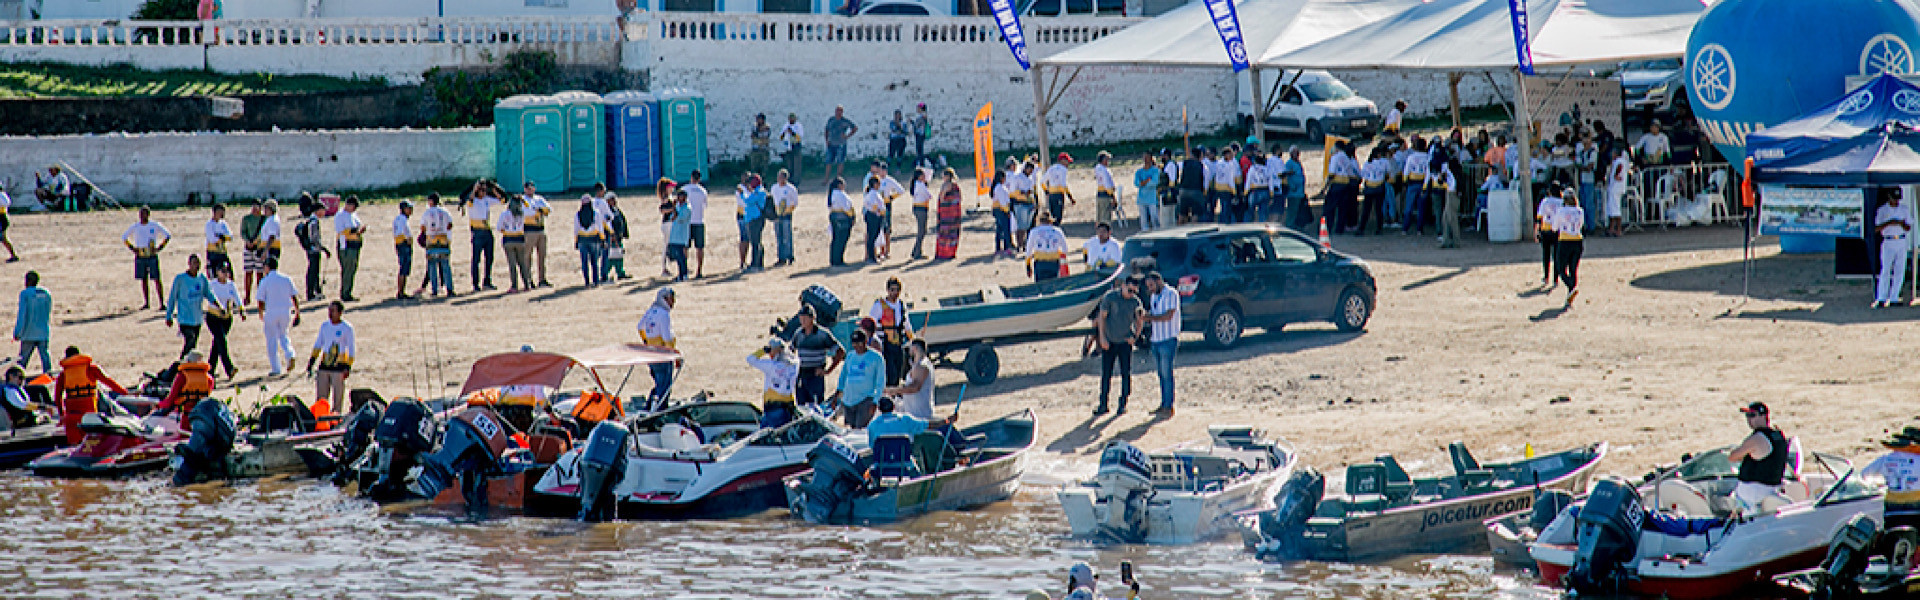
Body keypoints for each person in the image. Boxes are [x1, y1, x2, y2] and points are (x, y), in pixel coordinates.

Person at [1092, 275, 1144, 416]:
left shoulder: (1135, 302)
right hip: (1109, 341)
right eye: (1129, 290)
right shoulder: (1110, 298)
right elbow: (1101, 318)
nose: (1131, 293)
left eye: (1134, 291)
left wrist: (1135, 336)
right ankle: (1103, 404)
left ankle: (1123, 404)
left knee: (1125, 373)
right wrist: (1102, 338)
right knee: (1106, 374)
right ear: (1123, 286)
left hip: (1124, 343)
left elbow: (1140, 320)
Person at [1726, 402, 1792, 513]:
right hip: (1771, 489)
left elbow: (1732, 457)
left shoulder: (1757, 438)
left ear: (1763, 416)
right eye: (1747, 416)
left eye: (1752, 415)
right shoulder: (1778, 436)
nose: (1749, 420)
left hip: (1754, 495)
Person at [54, 346, 126, 444]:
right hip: (89, 417)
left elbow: (57, 398)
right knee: (92, 446)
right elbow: (109, 383)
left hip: (71, 417)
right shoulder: (92, 369)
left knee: (74, 448)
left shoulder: (63, 375)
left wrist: (62, 415)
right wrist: (125, 392)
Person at [303, 300, 353, 425]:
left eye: (333, 311)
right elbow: (318, 343)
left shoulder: (347, 328)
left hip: (339, 367)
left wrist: (348, 366)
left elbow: (351, 348)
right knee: (321, 398)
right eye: (329, 311)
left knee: (337, 398)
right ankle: (320, 423)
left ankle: (335, 421)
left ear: (340, 313)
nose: (330, 314)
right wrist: (311, 361)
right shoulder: (325, 326)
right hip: (324, 366)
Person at [1861, 426, 1920, 533]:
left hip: (1892, 512)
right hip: (1916, 512)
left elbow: (1863, 474)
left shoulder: (1885, 459)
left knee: (1895, 542)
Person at [789, 306, 845, 410]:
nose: (803, 320)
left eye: (805, 317)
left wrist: (828, 371)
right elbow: (790, 351)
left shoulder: (822, 334)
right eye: (801, 318)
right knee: (801, 407)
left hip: (815, 376)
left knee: (816, 407)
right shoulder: (798, 333)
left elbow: (840, 352)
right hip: (801, 375)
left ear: (812, 318)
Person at [255, 256, 301, 376]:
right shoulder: (286, 279)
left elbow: (260, 300)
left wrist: (261, 313)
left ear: (267, 267)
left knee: (271, 340)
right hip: (285, 311)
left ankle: (276, 368)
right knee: (284, 335)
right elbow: (294, 297)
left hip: (271, 312)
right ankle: (290, 354)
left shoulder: (265, 281)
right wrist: (297, 312)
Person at [1143, 271, 1180, 416]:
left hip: (1168, 338)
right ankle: (1163, 403)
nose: (1150, 288)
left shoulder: (1171, 294)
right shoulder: (1154, 296)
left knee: (1166, 372)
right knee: (1160, 373)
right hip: (1156, 339)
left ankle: (1168, 405)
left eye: (1151, 285)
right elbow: (1155, 312)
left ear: (1158, 281)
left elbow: (1168, 316)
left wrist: (1149, 318)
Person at [638, 288, 682, 408]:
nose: (673, 303)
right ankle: (661, 411)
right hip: (662, 355)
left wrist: (647, 342)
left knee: (658, 383)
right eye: (670, 300)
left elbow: (640, 327)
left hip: (651, 354)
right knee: (665, 387)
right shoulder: (664, 315)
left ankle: (649, 406)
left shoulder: (650, 311)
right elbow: (667, 338)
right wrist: (674, 356)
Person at [833, 329, 885, 429]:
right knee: (850, 430)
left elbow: (880, 381)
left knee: (860, 429)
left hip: (865, 399)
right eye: (854, 344)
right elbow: (843, 375)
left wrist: (876, 401)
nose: (857, 347)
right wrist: (837, 394)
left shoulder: (876, 357)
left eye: (860, 344)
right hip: (849, 399)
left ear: (866, 342)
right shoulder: (850, 356)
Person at [123, 206, 172, 310]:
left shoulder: (154, 225)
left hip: (151, 254)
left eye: (144, 214)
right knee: (143, 279)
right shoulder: (135, 226)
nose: (142, 216)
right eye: (141, 214)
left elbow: (167, 235)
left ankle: (161, 302)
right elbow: (124, 237)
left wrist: (159, 247)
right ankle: (147, 302)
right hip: (141, 254)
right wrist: (132, 248)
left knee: (156, 279)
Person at [164, 254, 212, 359]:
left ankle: (187, 368)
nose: (196, 266)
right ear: (189, 264)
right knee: (190, 339)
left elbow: (208, 294)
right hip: (184, 318)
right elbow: (172, 297)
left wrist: (217, 305)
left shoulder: (202, 278)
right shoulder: (180, 279)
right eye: (194, 263)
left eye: (198, 263)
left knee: (193, 346)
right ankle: (179, 365)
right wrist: (169, 315)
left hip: (197, 319)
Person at [746, 337, 800, 428]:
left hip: (773, 408)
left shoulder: (771, 366)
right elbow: (795, 358)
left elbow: (750, 359)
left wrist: (763, 350)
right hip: (788, 407)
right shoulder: (794, 366)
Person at [872, 277, 915, 385]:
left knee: (898, 373)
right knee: (889, 374)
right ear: (887, 290)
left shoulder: (901, 305)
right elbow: (870, 324)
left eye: (897, 290)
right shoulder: (879, 306)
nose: (894, 293)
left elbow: (907, 325)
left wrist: (913, 342)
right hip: (885, 346)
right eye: (892, 290)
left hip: (898, 345)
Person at [204, 264, 243, 379]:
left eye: (227, 271)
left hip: (226, 318)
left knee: (218, 343)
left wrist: (241, 310)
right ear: (217, 272)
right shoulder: (212, 284)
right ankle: (229, 368)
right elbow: (209, 298)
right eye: (223, 271)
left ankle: (209, 370)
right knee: (221, 341)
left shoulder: (231, 285)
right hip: (213, 317)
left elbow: (237, 298)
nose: (225, 273)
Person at [1875, 189, 1912, 308]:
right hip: (1888, 240)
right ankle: (1881, 297)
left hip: (1900, 240)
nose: (1896, 202)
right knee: (1886, 269)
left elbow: (1908, 227)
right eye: (1893, 199)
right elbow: (1876, 228)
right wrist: (1889, 223)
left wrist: (1901, 224)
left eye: (1897, 199)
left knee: (1899, 270)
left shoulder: (1904, 209)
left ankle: (1894, 297)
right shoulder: (1882, 210)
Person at [884, 339, 936, 420]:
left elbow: (915, 387)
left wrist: (894, 390)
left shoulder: (922, 366)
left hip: (919, 414)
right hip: (913, 411)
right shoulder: (918, 365)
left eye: (910, 348)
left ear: (914, 348)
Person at [153, 351, 213, 418]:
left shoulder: (182, 376)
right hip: (201, 414)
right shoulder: (209, 378)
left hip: (184, 415)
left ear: (188, 361)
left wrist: (157, 405)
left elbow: (170, 401)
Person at [1552, 187, 1585, 307]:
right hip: (1578, 240)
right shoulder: (1580, 211)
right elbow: (1581, 225)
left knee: (1561, 268)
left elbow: (1555, 227)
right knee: (1573, 269)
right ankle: (1570, 293)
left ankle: (1570, 285)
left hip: (1565, 240)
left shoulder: (1561, 211)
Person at [418, 193, 456, 297]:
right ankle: (450, 289)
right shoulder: (445, 211)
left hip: (431, 241)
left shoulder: (426, 213)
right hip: (443, 240)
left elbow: (422, 227)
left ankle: (435, 290)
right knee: (445, 266)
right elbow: (450, 225)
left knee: (432, 266)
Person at [13, 271, 51, 374]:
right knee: (45, 357)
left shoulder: (25, 294)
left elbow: (22, 314)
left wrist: (17, 332)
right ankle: (48, 376)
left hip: (29, 332)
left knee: (23, 359)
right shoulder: (46, 293)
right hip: (43, 331)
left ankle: (18, 378)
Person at [519, 182, 554, 287]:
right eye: (527, 188)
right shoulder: (522, 200)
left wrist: (540, 210)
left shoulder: (539, 199)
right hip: (528, 230)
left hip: (540, 229)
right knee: (527, 256)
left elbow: (549, 209)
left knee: (542, 256)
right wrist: (539, 211)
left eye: (531, 188)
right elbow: (526, 212)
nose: (529, 190)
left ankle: (542, 279)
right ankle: (528, 280)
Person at [293, 198, 328, 302]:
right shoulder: (314, 222)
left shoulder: (311, 221)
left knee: (314, 270)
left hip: (311, 249)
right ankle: (311, 293)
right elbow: (314, 238)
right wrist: (322, 248)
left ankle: (314, 291)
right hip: (313, 250)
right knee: (313, 271)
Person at [333, 196, 366, 302]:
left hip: (355, 245)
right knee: (347, 269)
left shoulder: (354, 215)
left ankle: (348, 291)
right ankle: (345, 293)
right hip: (346, 246)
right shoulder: (340, 215)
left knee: (352, 269)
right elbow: (341, 231)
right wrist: (354, 231)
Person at [499, 197, 533, 292]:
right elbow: (530, 209)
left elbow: (499, 227)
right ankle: (527, 284)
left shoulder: (505, 214)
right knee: (522, 263)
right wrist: (524, 201)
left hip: (508, 239)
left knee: (512, 264)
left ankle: (514, 286)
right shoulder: (522, 214)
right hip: (520, 239)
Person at [1026, 212, 1069, 282]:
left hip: (1040, 263)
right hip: (1053, 262)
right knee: (1053, 285)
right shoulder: (1057, 231)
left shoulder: (1034, 232)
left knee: (1040, 286)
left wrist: (1028, 266)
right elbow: (1065, 249)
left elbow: (1028, 251)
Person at [736, 174, 767, 272]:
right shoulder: (757, 191)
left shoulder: (759, 192)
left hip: (756, 219)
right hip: (753, 218)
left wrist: (742, 193)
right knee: (757, 241)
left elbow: (748, 201)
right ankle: (759, 263)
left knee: (755, 242)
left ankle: (755, 264)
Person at [683, 171, 710, 279]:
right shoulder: (702, 191)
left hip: (687, 221)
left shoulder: (685, 189)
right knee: (699, 247)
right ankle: (699, 270)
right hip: (699, 220)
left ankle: (684, 269)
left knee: (685, 247)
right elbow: (705, 206)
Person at [577, 195, 610, 285]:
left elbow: (575, 229)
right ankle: (595, 281)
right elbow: (600, 228)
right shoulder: (596, 213)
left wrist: (576, 241)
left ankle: (587, 281)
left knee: (584, 262)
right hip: (594, 239)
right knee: (594, 261)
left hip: (582, 240)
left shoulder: (578, 214)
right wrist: (603, 240)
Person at [823, 106, 859, 187]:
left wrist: (847, 136)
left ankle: (838, 179)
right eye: (837, 111)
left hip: (841, 144)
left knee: (840, 161)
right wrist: (826, 140)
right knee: (828, 161)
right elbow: (826, 130)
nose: (838, 112)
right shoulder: (831, 120)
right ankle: (826, 179)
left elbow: (855, 128)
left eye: (840, 111)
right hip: (831, 143)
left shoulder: (845, 121)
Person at [1358, 147, 1391, 235]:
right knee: (1378, 209)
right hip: (1380, 187)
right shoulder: (1384, 162)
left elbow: (1362, 174)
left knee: (1366, 209)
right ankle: (1379, 228)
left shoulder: (1367, 163)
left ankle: (1361, 228)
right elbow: (1388, 172)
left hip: (1369, 187)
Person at [240, 200, 267, 304]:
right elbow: (243, 232)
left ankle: (260, 297)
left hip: (259, 248)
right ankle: (247, 296)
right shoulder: (246, 219)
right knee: (248, 272)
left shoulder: (264, 219)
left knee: (260, 273)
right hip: (248, 247)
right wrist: (247, 241)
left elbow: (263, 232)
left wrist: (256, 241)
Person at [771, 170, 800, 266]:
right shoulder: (774, 188)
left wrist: (788, 210)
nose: (780, 179)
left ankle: (789, 255)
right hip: (777, 213)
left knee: (787, 236)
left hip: (786, 213)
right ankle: (781, 257)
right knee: (778, 236)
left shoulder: (791, 188)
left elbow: (795, 202)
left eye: (782, 177)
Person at [1175, 148, 1210, 225]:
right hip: (1196, 191)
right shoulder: (1203, 166)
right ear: (1200, 156)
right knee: (1195, 213)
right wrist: (1205, 193)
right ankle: (1193, 228)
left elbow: (1177, 172)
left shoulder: (1183, 163)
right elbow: (1206, 182)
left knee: (1182, 213)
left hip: (1183, 190)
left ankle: (1179, 229)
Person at [1280, 147, 1311, 229]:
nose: (1296, 154)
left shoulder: (1298, 163)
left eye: (1297, 152)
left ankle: (1297, 225)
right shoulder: (1289, 163)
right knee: (1292, 210)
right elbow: (1286, 176)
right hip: (1293, 192)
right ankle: (1289, 226)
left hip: (1300, 192)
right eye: (1294, 152)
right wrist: (1291, 186)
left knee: (1298, 210)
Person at [935, 168, 963, 260]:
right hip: (953, 213)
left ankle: (945, 253)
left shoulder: (947, 186)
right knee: (952, 233)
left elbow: (942, 198)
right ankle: (950, 252)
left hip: (947, 213)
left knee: (946, 233)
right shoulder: (956, 186)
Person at [827, 177, 856, 267]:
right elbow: (846, 207)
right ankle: (838, 260)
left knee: (836, 239)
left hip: (834, 217)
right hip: (842, 218)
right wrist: (852, 217)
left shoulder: (832, 194)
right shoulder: (840, 194)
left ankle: (834, 259)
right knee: (841, 239)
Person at [664, 190, 692, 282]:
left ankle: (683, 274)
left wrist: (674, 209)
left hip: (681, 236)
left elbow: (679, 218)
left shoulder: (687, 208)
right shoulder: (677, 207)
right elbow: (672, 218)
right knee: (677, 257)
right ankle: (681, 274)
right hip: (674, 235)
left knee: (681, 257)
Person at [1011, 159, 1039, 249]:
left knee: (1028, 225)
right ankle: (1020, 244)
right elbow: (1012, 191)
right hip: (1020, 204)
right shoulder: (1017, 177)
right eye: (1029, 169)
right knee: (1021, 225)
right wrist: (1023, 193)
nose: (1030, 172)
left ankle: (1025, 244)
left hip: (1029, 203)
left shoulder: (1030, 179)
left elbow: (1032, 192)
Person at [390, 200, 415, 301]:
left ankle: (401, 291)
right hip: (403, 244)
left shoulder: (399, 219)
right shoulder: (402, 219)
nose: (411, 210)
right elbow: (400, 232)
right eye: (409, 208)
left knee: (404, 267)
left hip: (401, 244)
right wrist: (407, 240)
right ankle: (401, 292)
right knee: (404, 268)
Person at [603, 194, 632, 280]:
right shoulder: (607, 212)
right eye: (611, 199)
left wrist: (625, 234)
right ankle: (605, 274)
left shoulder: (617, 210)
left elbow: (623, 222)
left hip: (618, 237)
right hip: (611, 238)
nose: (614, 201)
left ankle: (620, 273)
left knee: (619, 256)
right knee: (610, 257)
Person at [1044, 153, 1077, 227]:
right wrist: (1070, 197)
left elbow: (1042, 182)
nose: (1068, 164)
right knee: (1058, 216)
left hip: (1051, 194)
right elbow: (1063, 184)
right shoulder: (1063, 170)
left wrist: (1046, 191)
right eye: (1067, 161)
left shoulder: (1051, 168)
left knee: (1052, 215)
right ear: (1062, 161)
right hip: (1059, 194)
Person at [862, 177, 889, 264]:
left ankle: (872, 256)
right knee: (872, 237)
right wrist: (878, 211)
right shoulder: (872, 194)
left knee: (874, 236)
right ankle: (871, 257)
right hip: (874, 216)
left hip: (876, 216)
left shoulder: (874, 193)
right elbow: (872, 205)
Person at [1605, 149, 1631, 237]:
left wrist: (1616, 174)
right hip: (1615, 188)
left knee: (1616, 209)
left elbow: (1619, 168)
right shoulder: (1622, 162)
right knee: (1612, 208)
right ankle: (1611, 229)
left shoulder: (1619, 161)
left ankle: (1618, 230)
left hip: (1616, 187)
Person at [1134, 155, 1163, 231]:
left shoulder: (1155, 170)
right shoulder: (1139, 172)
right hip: (1141, 198)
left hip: (1152, 198)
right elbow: (1136, 183)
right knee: (1143, 220)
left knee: (1154, 218)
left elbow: (1154, 182)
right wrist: (1146, 181)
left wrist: (1143, 183)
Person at [909, 168, 933, 260]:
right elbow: (928, 195)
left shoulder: (917, 184)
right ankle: (917, 252)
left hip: (918, 207)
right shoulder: (920, 185)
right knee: (922, 231)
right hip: (921, 208)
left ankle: (917, 250)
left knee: (922, 230)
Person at [990, 169, 1014, 257]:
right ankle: (1006, 247)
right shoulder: (999, 188)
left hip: (998, 210)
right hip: (1001, 210)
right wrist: (1007, 211)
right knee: (1005, 229)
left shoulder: (997, 187)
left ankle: (998, 248)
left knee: (999, 230)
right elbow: (1003, 201)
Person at [203, 203, 233, 276]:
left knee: (228, 273)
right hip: (212, 252)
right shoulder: (209, 224)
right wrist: (222, 237)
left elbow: (230, 236)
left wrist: (221, 236)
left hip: (222, 251)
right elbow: (212, 239)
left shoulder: (223, 223)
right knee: (213, 274)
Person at [778, 113, 805, 177]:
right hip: (788, 147)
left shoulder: (798, 126)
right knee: (789, 164)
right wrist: (784, 133)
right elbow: (781, 137)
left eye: (793, 118)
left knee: (796, 164)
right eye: (790, 118)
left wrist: (792, 133)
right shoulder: (786, 126)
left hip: (796, 145)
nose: (791, 120)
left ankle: (796, 179)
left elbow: (800, 137)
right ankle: (789, 178)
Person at [912, 103, 932, 167]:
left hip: (920, 134)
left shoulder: (922, 116)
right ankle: (921, 163)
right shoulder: (923, 116)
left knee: (919, 150)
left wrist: (912, 123)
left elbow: (917, 125)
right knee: (920, 150)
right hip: (921, 134)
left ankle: (921, 164)